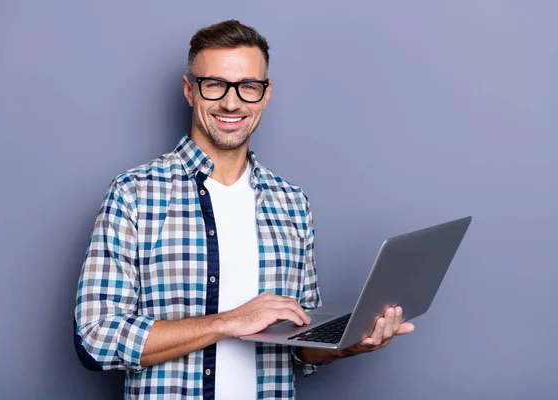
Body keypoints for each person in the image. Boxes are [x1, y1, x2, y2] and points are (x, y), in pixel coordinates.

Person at [73, 19, 415, 400]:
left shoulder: (291, 203)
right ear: (190, 90)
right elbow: (95, 338)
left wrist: (352, 343)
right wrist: (229, 322)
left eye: (248, 87)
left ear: (266, 94)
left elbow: (301, 345)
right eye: (215, 84)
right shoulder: (134, 194)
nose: (232, 102)